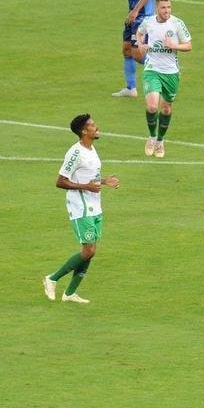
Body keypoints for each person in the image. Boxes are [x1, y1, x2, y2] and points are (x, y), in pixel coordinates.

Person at [42, 114, 120, 304]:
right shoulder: (75, 153)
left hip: (94, 205)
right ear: (84, 131)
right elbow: (60, 182)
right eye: (93, 125)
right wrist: (86, 187)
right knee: (89, 250)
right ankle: (51, 279)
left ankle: (70, 294)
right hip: (80, 207)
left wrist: (103, 181)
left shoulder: (91, 149)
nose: (97, 127)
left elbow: (88, 177)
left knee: (90, 249)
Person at [134, 0, 192, 159]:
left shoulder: (177, 24)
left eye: (169, 7)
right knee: (152, 106)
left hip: (171, 72)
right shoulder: (149, 22)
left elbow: (189, 45)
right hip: (152, 69)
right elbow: (139, 33)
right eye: (163, 8)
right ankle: (152, 137)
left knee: (166, 108)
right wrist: (140, 45)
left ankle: (160, 140)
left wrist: (175, 45)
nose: (166, 11)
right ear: (157, 8)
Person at [112, 0, 155, 98]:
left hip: (142, 17)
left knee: (138, 54)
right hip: (133, 15)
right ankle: (131, 89)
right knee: (126, 49)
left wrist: (136, 11)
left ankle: (163, 68)